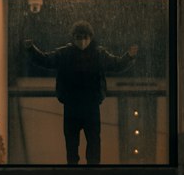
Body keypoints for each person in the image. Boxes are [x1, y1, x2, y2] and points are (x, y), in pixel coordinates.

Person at [24, 21, 138, 166]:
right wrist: (129, 56)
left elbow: (46, 60)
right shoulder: (92, 54)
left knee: (82, 142)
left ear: (90, 37)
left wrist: (30, 49)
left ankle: (80, 169)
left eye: (84, 37)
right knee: (82, 141)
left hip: (78, 105)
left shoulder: (77, 54)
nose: (82, 41)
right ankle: (86, 169)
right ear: (74, 37)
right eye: (79, 37)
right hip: (84, 105)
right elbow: (46, 60)